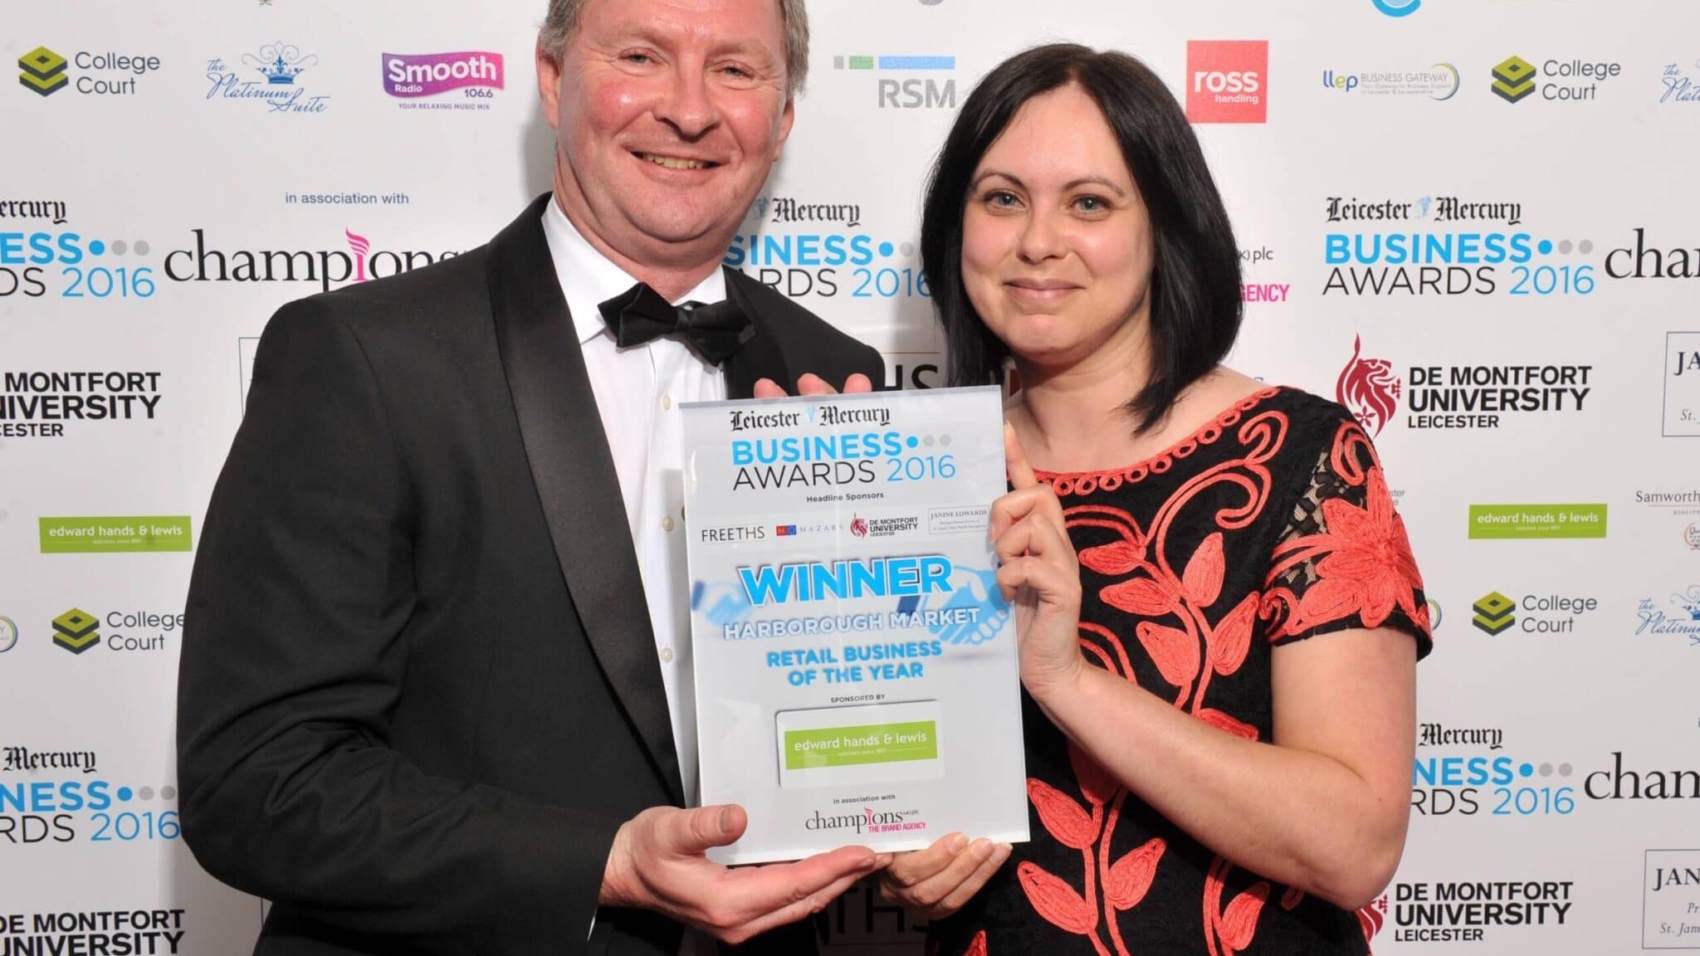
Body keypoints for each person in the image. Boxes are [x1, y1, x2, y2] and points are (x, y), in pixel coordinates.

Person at [175, 1, 887, 955]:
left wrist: (916, 823)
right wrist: (600, 863)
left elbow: (852, 729)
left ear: (785, 113)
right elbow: (256, 781)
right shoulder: (365, 357)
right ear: (555, 80)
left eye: (735, 70)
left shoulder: (836, 375)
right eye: (640, 56)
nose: (688, 110)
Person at [876, 44, 1432, 956]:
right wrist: (911, 863)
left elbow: (1355, 846)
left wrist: (1065, 679)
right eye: (1002, 197)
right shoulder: (925, 476)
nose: (1037, 241)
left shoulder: (1296, 457)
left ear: (1165, 229)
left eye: (1088, 203)